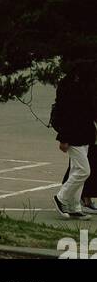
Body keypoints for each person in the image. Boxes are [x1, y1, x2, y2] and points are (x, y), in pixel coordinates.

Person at [51, 63, 97, 218]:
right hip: (72, 136)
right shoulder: (67, 87)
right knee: (84, 170)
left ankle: (74, 206)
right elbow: (65, 113)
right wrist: (63, 138)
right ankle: (61, 198)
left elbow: (90, 109)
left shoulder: (85, 85)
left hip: (85, 134)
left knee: (76, 170)